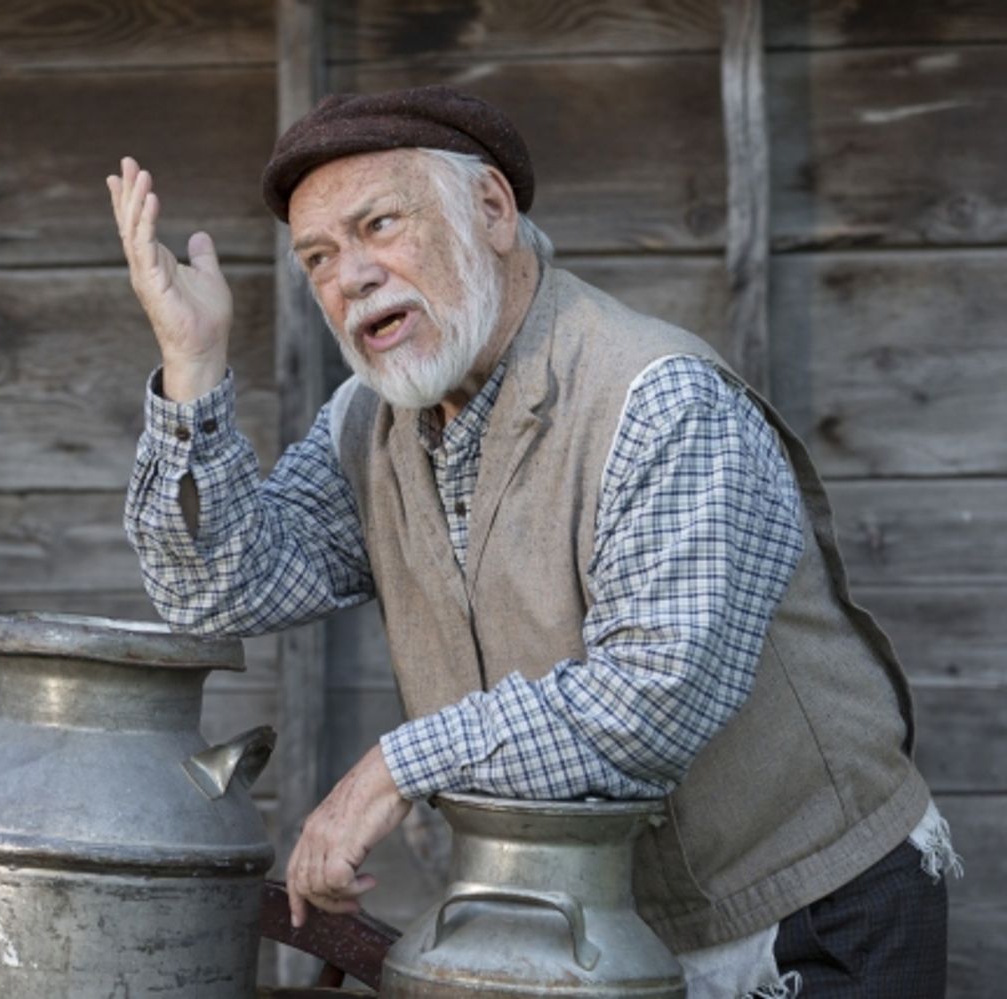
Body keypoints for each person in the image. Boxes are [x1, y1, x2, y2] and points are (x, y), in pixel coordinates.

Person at [107, 86, 957, 998]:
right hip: (597, 933)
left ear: (493, 212)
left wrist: (398, 766)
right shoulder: (370, 420)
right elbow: (223, 590)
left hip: (812, 912)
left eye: (380, 224)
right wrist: (192, 369)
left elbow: (652, 699)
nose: (350, 275)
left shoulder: (659, 398)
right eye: (318, 255)